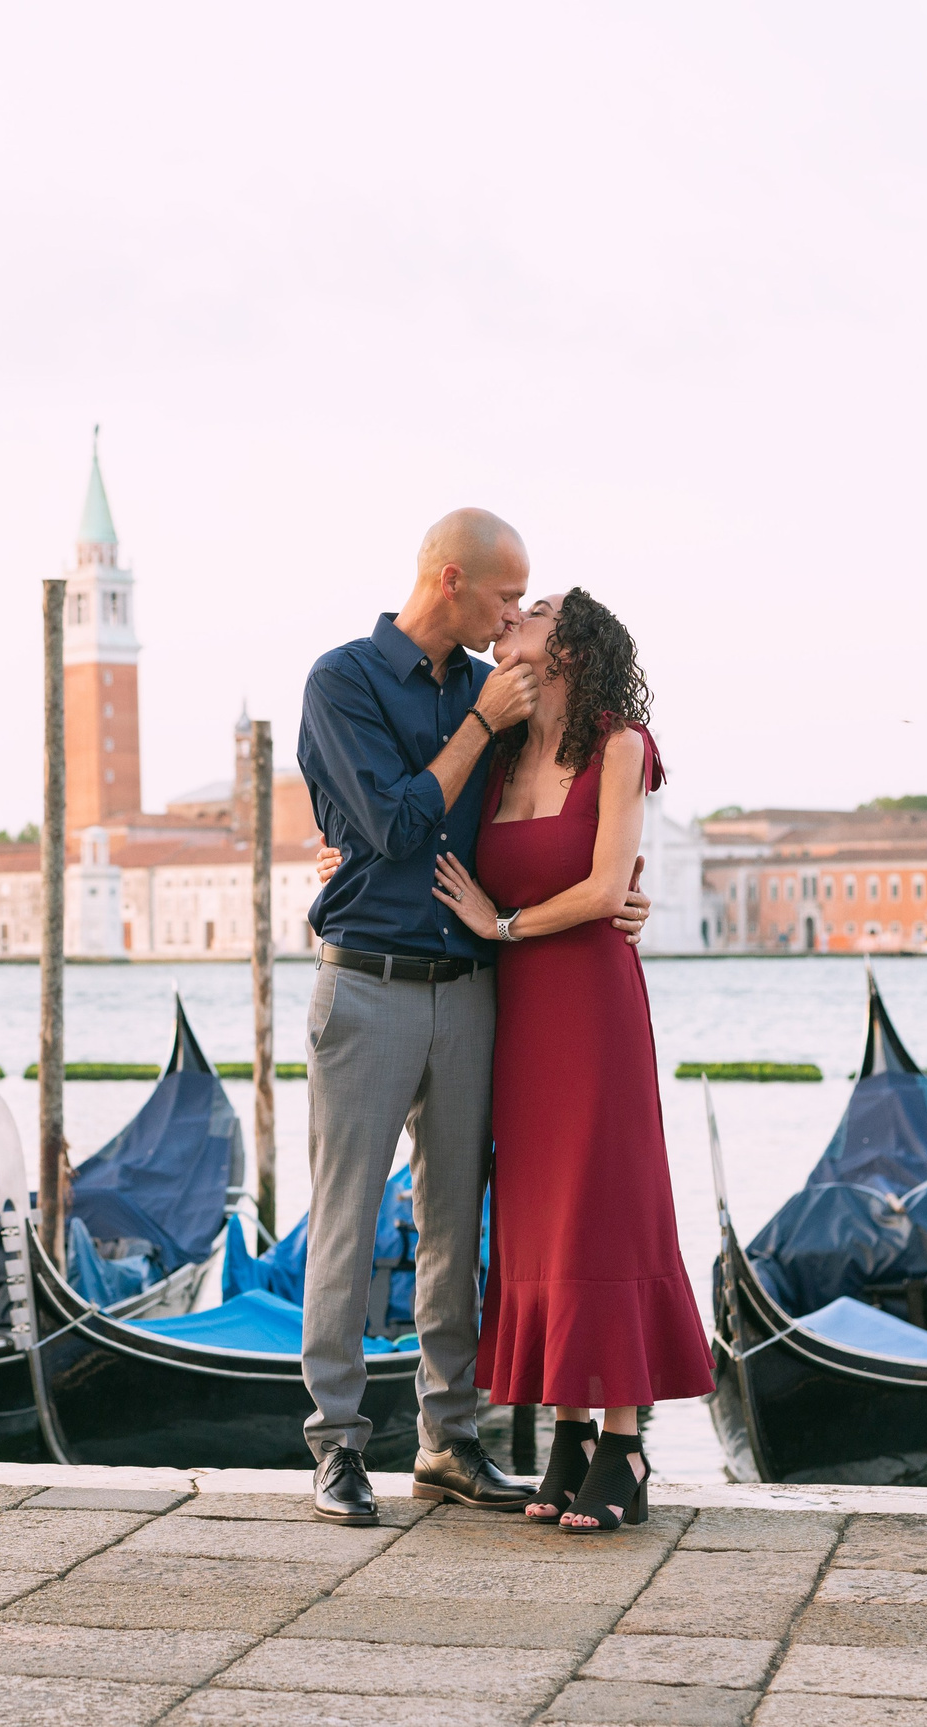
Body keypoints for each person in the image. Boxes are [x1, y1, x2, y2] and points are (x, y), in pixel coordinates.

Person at [291, 510, 650, 1526]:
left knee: (454, 1224)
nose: (512, 617)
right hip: (364, 982)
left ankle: (447, 1441)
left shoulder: (491, 692)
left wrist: (623, 887)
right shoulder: (344, 680)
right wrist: (476, 730)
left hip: (473, 989)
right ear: (450, 578)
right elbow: (395, 824)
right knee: (347, 1220)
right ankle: (336, 1447)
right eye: (506, 595)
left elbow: (559, 811)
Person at [433, 587, 714, 1531]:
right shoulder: (501, 749)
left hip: (592, 1009)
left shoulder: (621, 745)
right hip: (518, 1023)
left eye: (537, 609)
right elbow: (415, 810)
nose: (515, 614)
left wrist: (502, 921)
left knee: (603, 1207)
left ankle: (627, 1441)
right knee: (539, 1216)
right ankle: (569, 1434)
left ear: (572, 644)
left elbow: (604, 889)